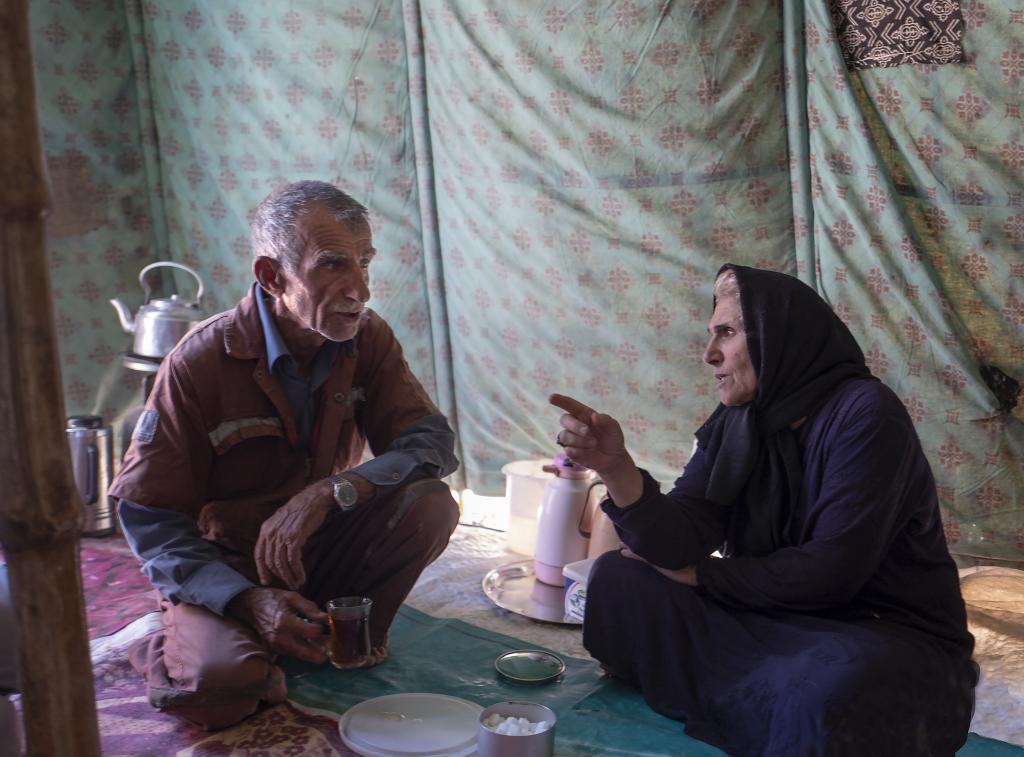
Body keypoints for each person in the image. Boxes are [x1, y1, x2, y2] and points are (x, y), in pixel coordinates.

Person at [551, 264, 977, 756]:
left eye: (727, 333)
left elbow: (832, 572)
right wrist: (617, 467)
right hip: (770, 614)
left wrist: (703, 577)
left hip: (878, 633)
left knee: (833, 685)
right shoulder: (739, 421)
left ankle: (754, 700)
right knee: (618, 580)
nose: (709, 355)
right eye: (712, 335)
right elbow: (680, 538)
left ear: (780, 337)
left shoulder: (867, 414)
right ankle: (759, 702)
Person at [110, 180, 460, 730]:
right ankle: (178, 641)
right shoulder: (196, 364)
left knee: (430, 502)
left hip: (315, 549)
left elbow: (430, 442)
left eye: (365, 263)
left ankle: (321, 629)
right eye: (333, 265)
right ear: (273, 277)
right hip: (226, 569)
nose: (360, 290)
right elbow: (150, 519)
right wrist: (247, 600)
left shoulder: (367, 339)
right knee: (222, 695)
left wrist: (331, 491)